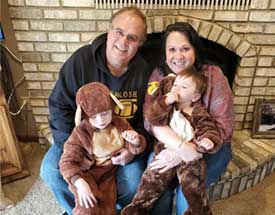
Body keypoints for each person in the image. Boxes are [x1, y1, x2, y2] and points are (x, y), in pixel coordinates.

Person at [40, 7, 153, 215]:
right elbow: (58, 106)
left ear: (139, 44)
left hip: (119, 146)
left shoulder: (146, 72)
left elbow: (148, 122)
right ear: (109, 32)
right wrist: (76, 146)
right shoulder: (81, 61)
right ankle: (81, 208)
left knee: (134, 182)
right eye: (119, 32)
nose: (123, 42)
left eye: (132, 37)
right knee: (50, 172)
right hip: (80, 139)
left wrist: (132, 149)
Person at [143, 22, 234, 215]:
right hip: (169, 144)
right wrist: (179, 147)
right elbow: (150, 119)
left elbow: (223, 129)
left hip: (210, 147)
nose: (178, 56)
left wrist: (187, 150)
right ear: (165, 52)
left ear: (195, 50)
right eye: (172, 49)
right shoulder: (158, 75)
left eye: (185, 48)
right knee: (157, 184)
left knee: (188, 189)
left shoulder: (214, 76)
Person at [122, 68, 222, 215]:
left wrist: (209, 140)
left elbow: (209, 129)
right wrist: (164, 102)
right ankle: (138, 209)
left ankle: (199, 211)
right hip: (165, 153)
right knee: (150, 181)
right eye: (175, 84)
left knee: (193, 186)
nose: (176, 89)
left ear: (195, 97)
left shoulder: (198, 112)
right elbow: (152, 118)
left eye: (184, 87)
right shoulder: (167, 108)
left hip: (190, 158)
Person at [60, 82, 146, 215]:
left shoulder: (120, 123)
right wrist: (79, 182)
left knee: (107, 208)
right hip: (86, 175)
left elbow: (134, 148)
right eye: (93, 117)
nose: (101, 120)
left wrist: (136, 141)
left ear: (112, 107)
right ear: (83, 114)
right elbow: (67, 162)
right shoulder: (81, 132)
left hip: (108, 174)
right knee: (87, 208)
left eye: (105, 113)